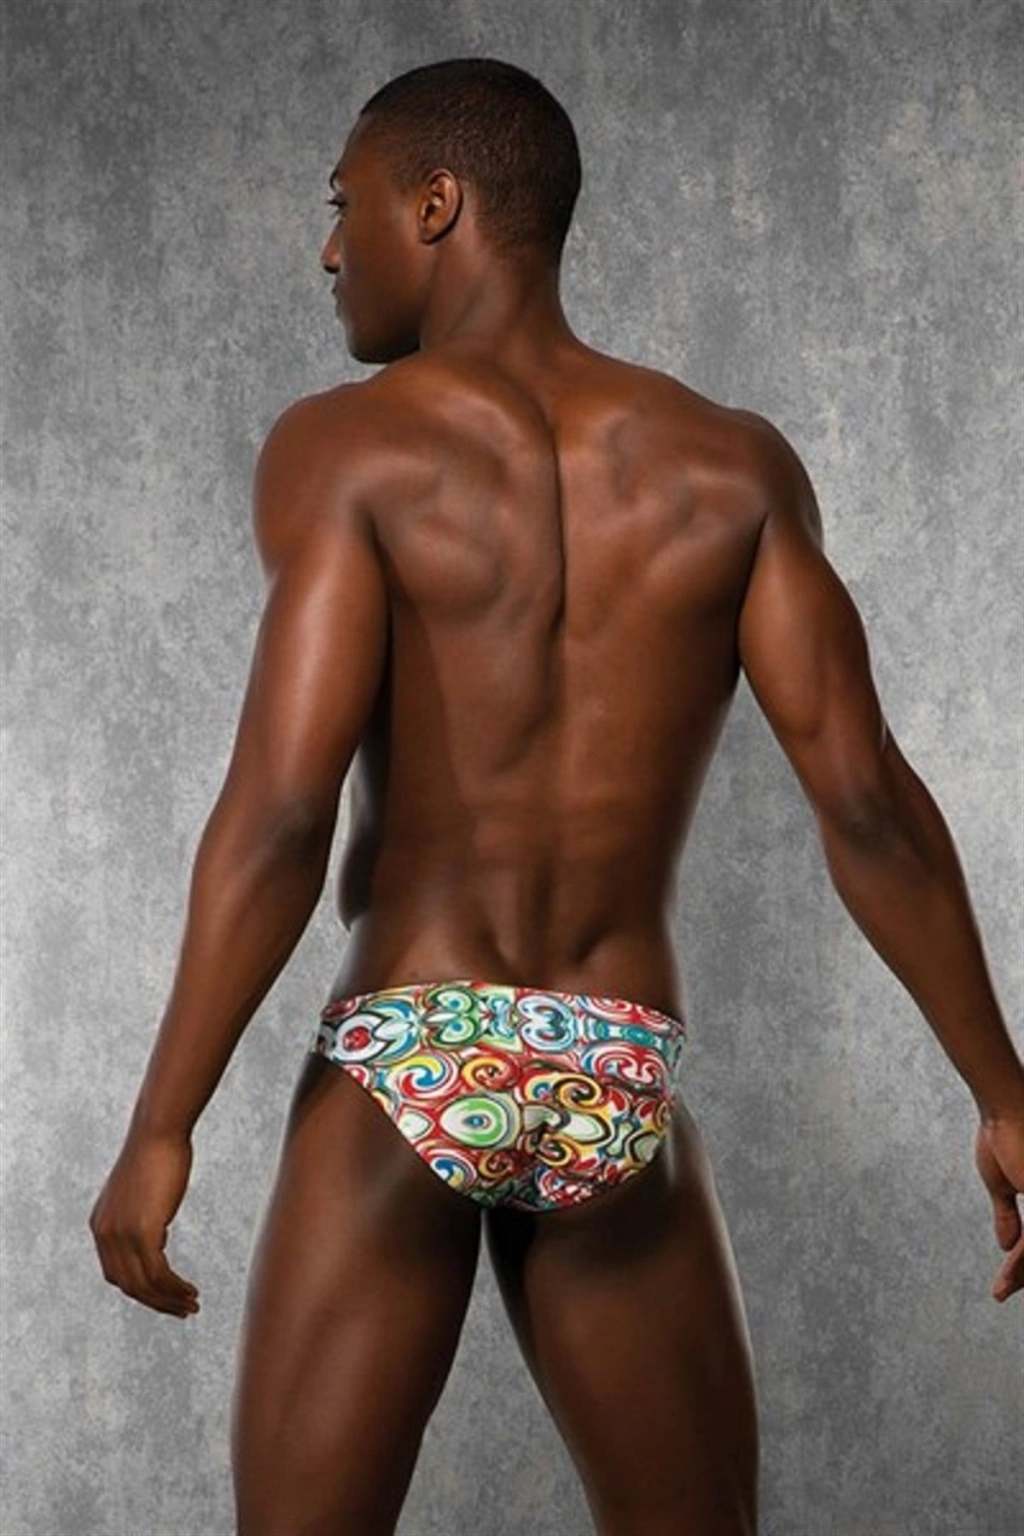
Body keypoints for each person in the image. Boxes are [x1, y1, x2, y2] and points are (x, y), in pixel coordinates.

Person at [89, 56, 1023, 1536]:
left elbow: (281, 814)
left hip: (411, 1047)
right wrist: (1003, 1090)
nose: (329, 250)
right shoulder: (731, 468)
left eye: (345, 205)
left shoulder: (350, 446)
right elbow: (866, 804)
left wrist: (162, 1124)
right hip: (614, 1060)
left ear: (436, 205)